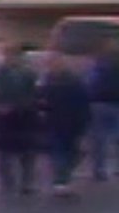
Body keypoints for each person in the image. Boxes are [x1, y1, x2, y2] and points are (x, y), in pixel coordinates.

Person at [0, 43, 39, 194]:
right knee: (4, 153)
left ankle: (27, 183)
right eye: (9, 55)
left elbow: (34, 93)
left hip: (25, 116)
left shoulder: (29, 74)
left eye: (16, 56)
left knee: (28, 152)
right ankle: (7, 182)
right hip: (4, 117)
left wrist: (29, 106)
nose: (12, 59)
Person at [37, 53, 92, 196]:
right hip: (60, 122)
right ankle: (61, 181)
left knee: (69, 153)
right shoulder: (51, 81)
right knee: (62, 152)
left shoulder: (64, 81)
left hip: (68, 122)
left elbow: (83, 102)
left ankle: (62, 179)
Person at [86, 47, 119, 182]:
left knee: (99, 140)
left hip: (98, 105)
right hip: (117, 105)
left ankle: (99, 170)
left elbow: (89, 85)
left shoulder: (97, 69)